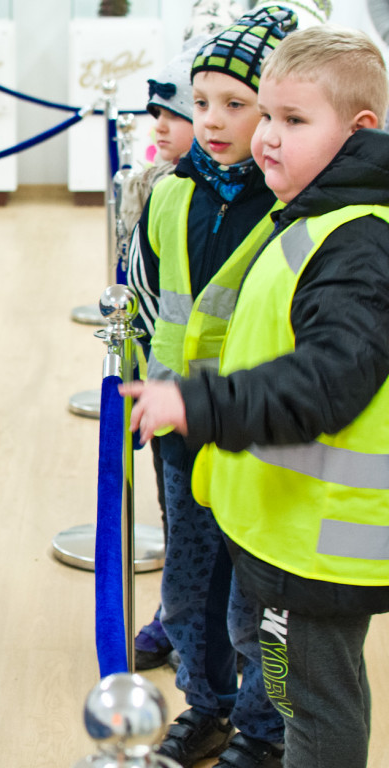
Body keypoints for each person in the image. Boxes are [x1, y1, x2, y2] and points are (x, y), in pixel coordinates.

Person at [123, 25, 389, 768]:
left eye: (293, 121)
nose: (266, 137)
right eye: (266, 115)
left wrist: (199, 403)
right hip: (288, 528)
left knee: (317, 705)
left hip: (324, 544)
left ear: (359, 129)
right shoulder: (308, 213)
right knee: (292, 683)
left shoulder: (358, 239)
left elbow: (331, 379)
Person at [124, 9, 299, 767]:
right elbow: (147, 308)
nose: (214, 121)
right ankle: (208, 706)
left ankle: (265, 729)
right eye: (200, 103)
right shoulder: (166, 196)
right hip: (180, 424)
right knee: (191, 587)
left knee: (259, 600)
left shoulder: (291, 202)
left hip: (260, 428)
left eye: (237, 103)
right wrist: (142, 392)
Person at [120, 38, 198, 673]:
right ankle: (176, 619)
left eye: (178, 111)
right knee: (178, 518)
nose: (160, 125)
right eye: (163, 110)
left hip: (229, 404)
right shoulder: (160, 191)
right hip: (165, 390)